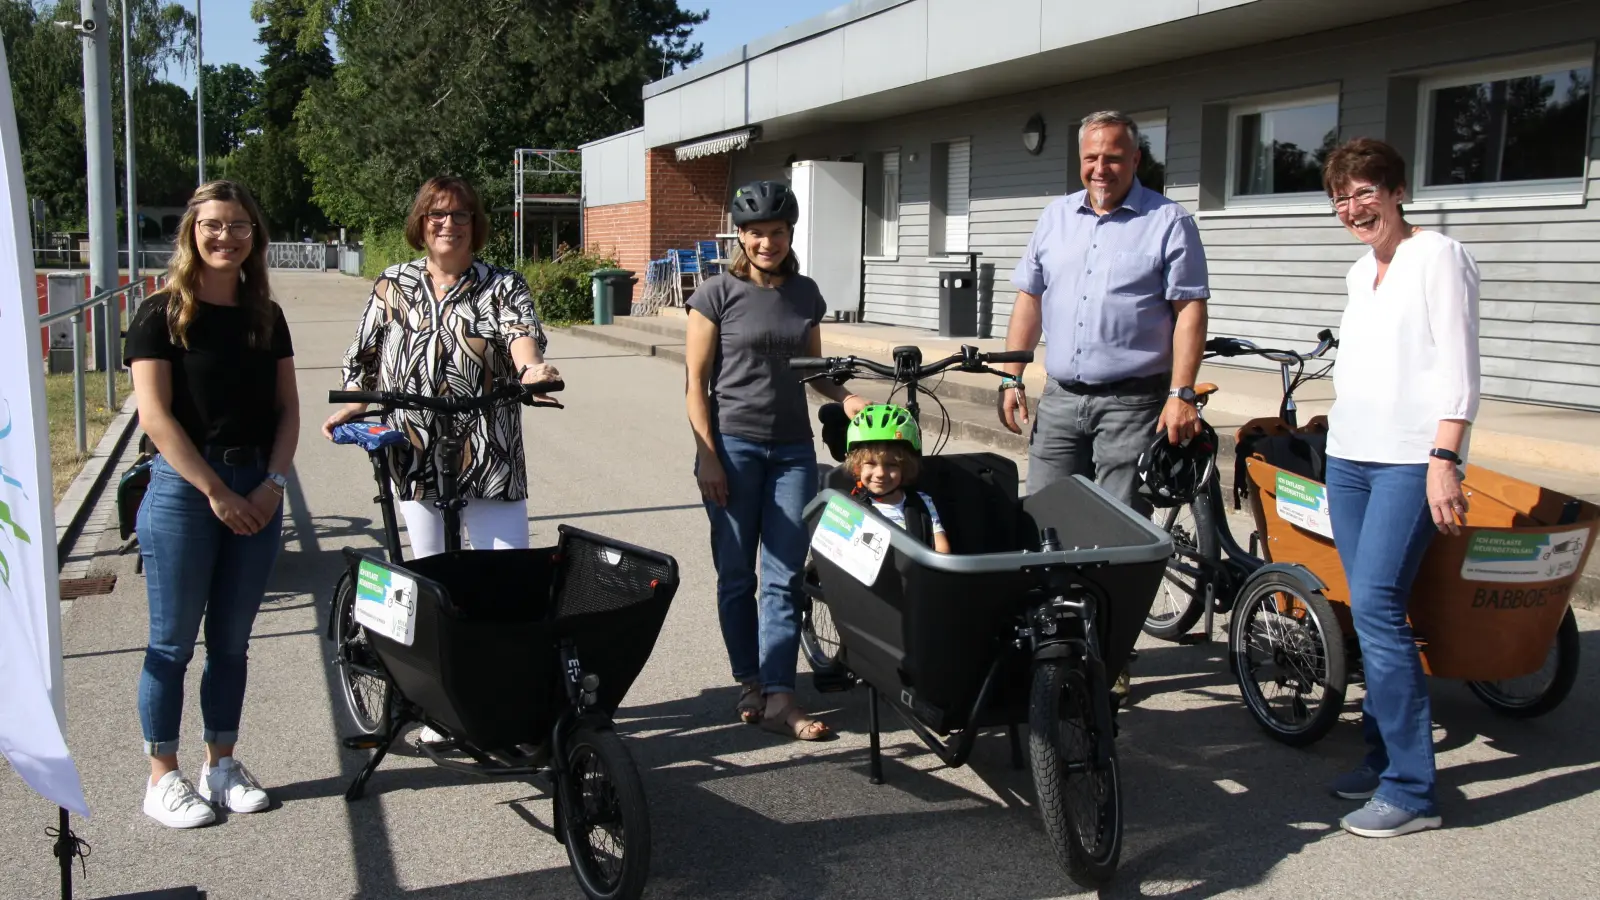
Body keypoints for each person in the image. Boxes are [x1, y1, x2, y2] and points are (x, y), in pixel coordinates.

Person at [323, 175, 559, 746]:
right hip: (416, 450)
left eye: (459, 215)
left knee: (506, 582)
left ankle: (503, 701)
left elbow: (522, 338)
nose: (448, 224)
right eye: (437, 215)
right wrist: (353, 402)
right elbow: (364, 355)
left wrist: (532, 370)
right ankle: (440, 707)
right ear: (421, 223)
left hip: (490, 450)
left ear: (475, 224)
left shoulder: (501, 285)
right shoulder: (393, 284)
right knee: (433, 583)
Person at [998, 110, 1211, 699]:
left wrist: (1182, 392)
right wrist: (1012, 375)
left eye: (1113, 157)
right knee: (1042, 524)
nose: (1101, 168)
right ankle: (1049, 649)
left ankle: (1110, 656)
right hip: (1061, 399)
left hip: (1133, 403)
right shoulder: (1054, 217)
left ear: (1135, 160)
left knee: (1115, 538)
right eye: (1091, 157)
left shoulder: (1168, 221)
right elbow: (1029, 299)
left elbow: (1189, 311)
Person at [126, 180, 299, 828]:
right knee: (171, 644)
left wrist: (272, 485)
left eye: (239, 226)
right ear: (191, 233)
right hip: (185, 490)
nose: (226, 236)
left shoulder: (265, 316)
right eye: (213, 225)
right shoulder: (161, 313)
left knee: (231, 643)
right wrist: (216, 492)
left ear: (255, 236)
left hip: (257, 485)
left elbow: (288, 409)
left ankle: (220, 766)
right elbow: (156, 417)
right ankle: (162, 777)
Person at [1320, 137, 1479, 839]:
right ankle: (1382, 757)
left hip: (1410, 460)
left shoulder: (1437, 256)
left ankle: (1412, 791)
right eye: (1342, 197)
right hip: (1350, 458)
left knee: (1381, 609)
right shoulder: (1361, 272)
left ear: (1396, 192)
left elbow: (1461, 366)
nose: (1354, 208)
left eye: (1365, 192)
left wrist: (1445, 456)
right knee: (1366, 609)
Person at [686, 180, 868, 741]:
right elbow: (695, 383)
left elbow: (813, 371)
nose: (768, 242)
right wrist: (708, 456)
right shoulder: (716, 293)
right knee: (737, 574)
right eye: (757, 233)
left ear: (791, 234)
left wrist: (847, 398)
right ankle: (750, 680)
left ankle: (780, 696)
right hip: (732, 447)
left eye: (778, 232)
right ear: (741, 236)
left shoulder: (805, 294)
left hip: (792, 449)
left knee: (784, 576)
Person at [844, 404, 950, 553]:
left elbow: (942, 549)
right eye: (871, 463)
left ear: (905, 467)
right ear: (857, 466)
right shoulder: (847, 506)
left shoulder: (922, 503)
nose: (880, 473)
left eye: (891, 465)